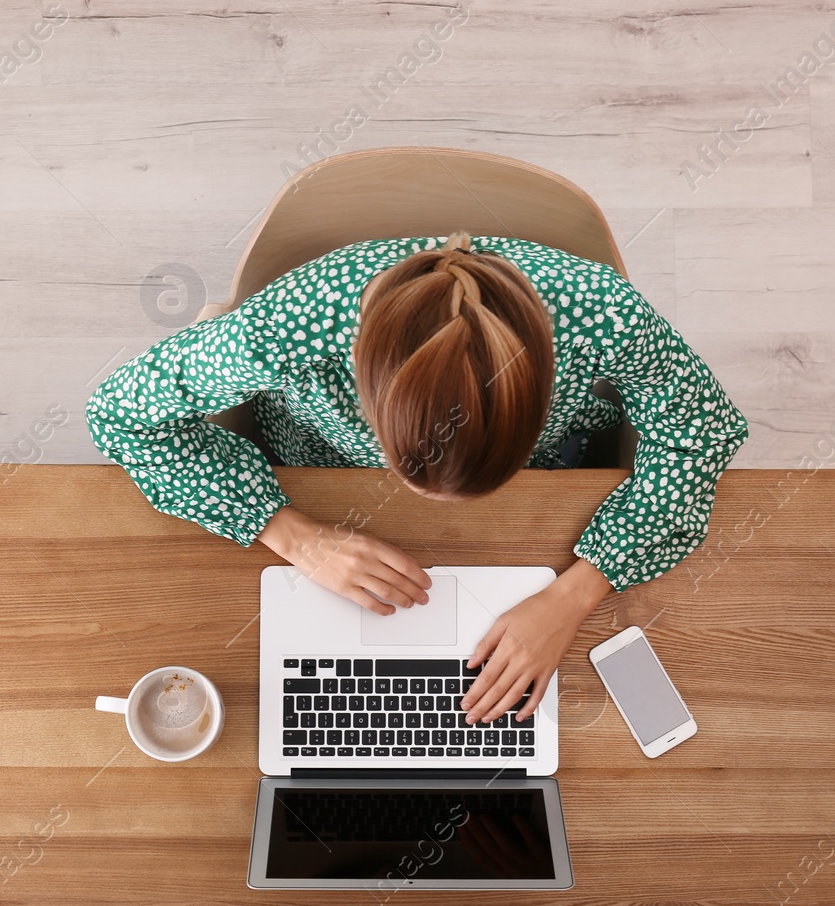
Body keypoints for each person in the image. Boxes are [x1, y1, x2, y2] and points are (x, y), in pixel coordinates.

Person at [86, 232, 748, 729]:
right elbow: (118, 412)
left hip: (544, 485)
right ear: (363, 387)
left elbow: (701, 433)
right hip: (321, 471)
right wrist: (296, 537)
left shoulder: (604, 313)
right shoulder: (283, 333)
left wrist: (575, 595)